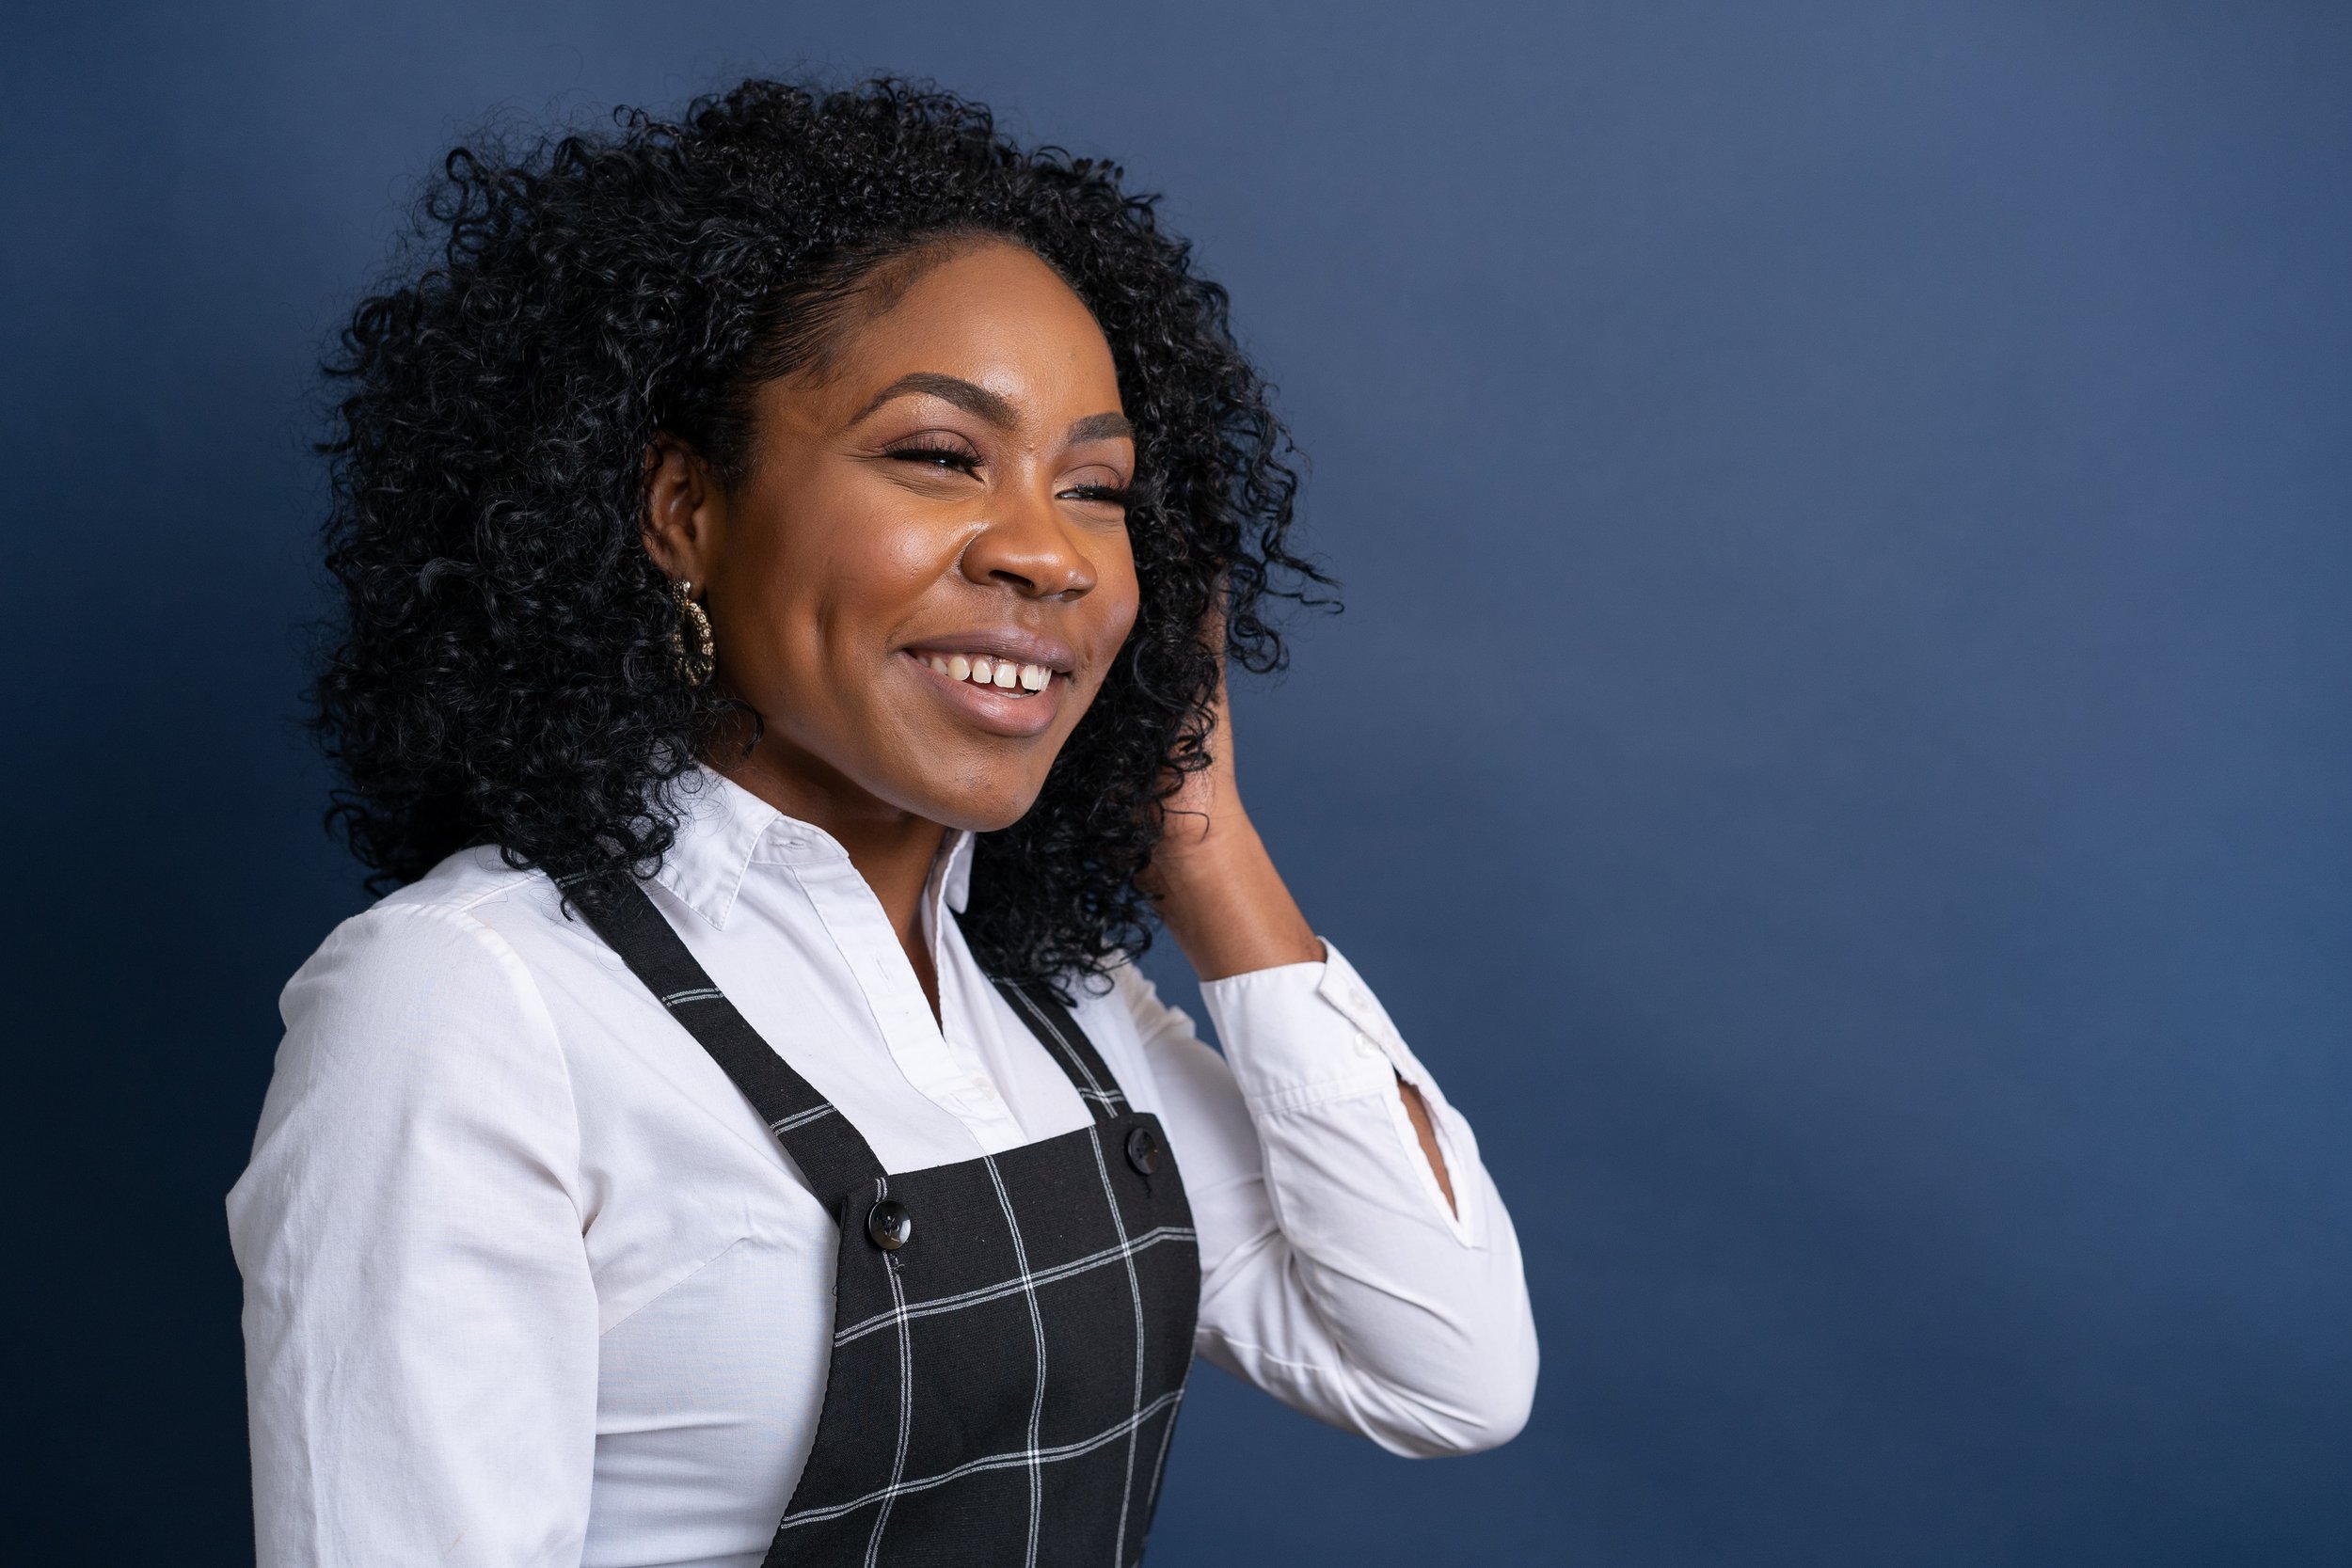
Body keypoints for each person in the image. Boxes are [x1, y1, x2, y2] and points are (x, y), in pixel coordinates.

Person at [228, 78, 1537, 1568]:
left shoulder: (1052, 1005)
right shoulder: (471, 1003)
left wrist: (1201, 831)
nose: (1047, 552)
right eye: (937, 454)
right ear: (681, 510)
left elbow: (1444, 1368)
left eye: (1097, 487)